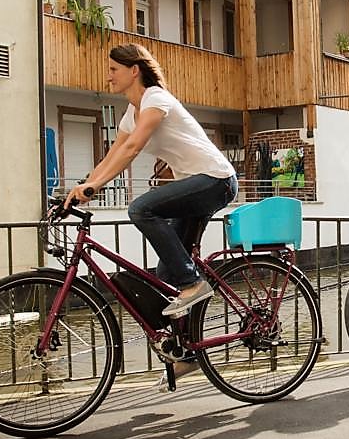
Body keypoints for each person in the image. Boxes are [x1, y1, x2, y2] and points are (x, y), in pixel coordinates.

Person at [65, 43, 237, 317]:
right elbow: (113, 155)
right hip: (196, 187)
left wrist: (96, 187)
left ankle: (193, 284)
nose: (108, 76)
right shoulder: (130, 115)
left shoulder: (156, 99)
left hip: (215, 180)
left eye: (113, 69)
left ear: (134, 70)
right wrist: (79, 189)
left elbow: (132, 148)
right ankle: (188, 348)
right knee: (167, 271)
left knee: (141, 209)